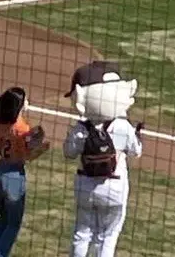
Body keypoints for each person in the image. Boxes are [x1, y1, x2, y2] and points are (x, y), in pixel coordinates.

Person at [63, 62, 143, 257]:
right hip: (115, 187)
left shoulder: (80, 130)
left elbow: (69, 152)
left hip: (85, 186)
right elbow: (136, 151)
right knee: (107, 235)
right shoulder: (123, 127)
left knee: (82, 232)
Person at [0, 86, 50, 257]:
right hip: (14, 179)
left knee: (6, 219)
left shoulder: (0, 124)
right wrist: (42, 148)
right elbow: (28, 156)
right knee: (13, 224)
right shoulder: (22, 128)